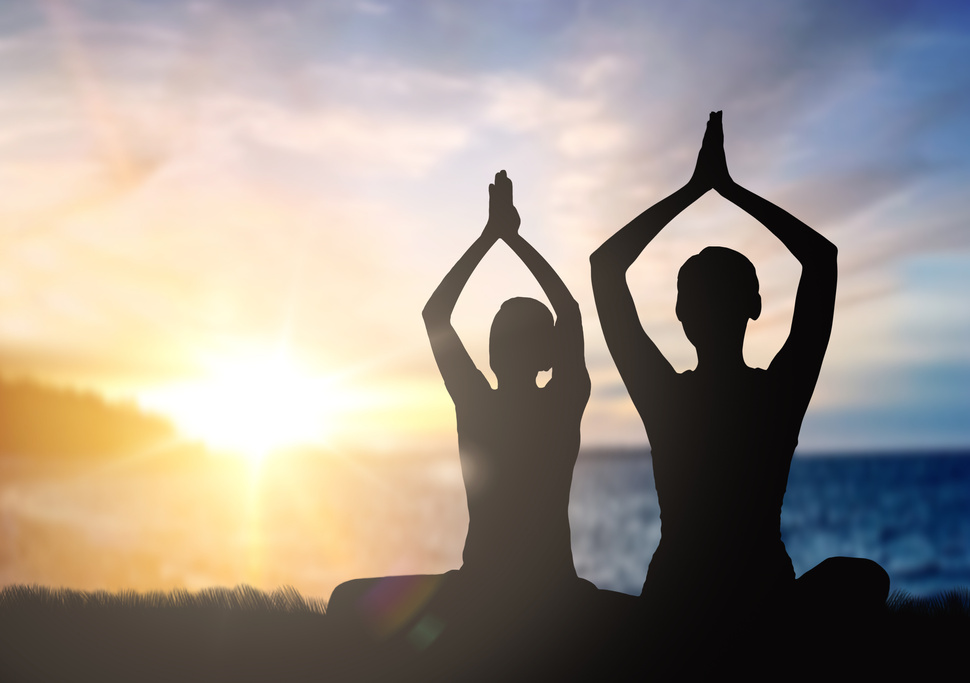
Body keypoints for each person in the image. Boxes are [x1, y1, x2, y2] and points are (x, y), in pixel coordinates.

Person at [589, 112, 888, 642]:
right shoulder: (778, 393)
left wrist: (695, 189)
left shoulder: (666, 396)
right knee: (865, 577)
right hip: (762, 600)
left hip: (677, 603)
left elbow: (606, 266)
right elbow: (821, 260)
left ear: (681, 316)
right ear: (753, 306)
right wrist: (729, 190)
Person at [329, 172, 627, 678]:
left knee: (344, 601)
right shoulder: (561, 403)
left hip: (487, 593)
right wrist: (513, 238)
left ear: (501, 353)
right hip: (546, 595)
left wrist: (492, 235)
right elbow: (570, 311)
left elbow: (436, 314)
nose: (495, 346)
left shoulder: (478, 403)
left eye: (502, 338)